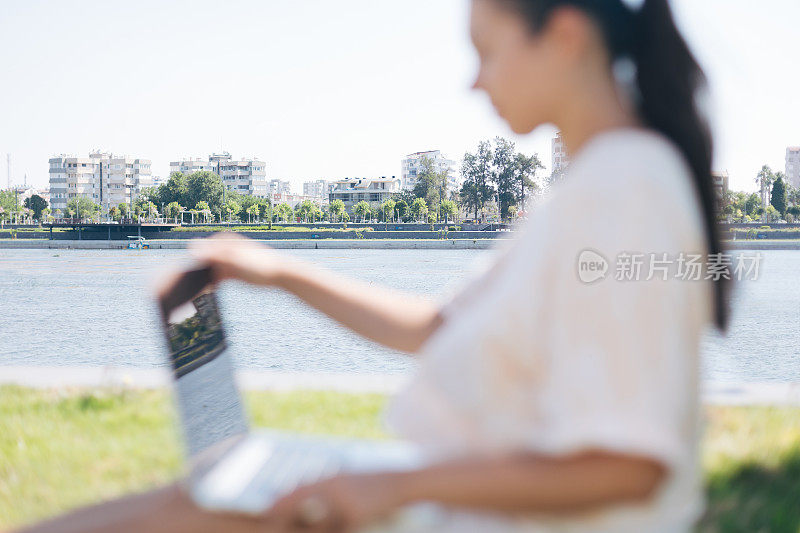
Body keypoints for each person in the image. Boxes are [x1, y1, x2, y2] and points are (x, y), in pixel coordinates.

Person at [16, 0, 730, 532]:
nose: (474, 83)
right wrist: (273, 270)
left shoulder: (625, 190)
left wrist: (392, 487)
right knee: (199, 504)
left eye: (485, 50)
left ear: (566, 35)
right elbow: (435, 326)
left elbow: (630, 464)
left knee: (189, 512)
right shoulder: (591, 187)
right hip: (453, 507)